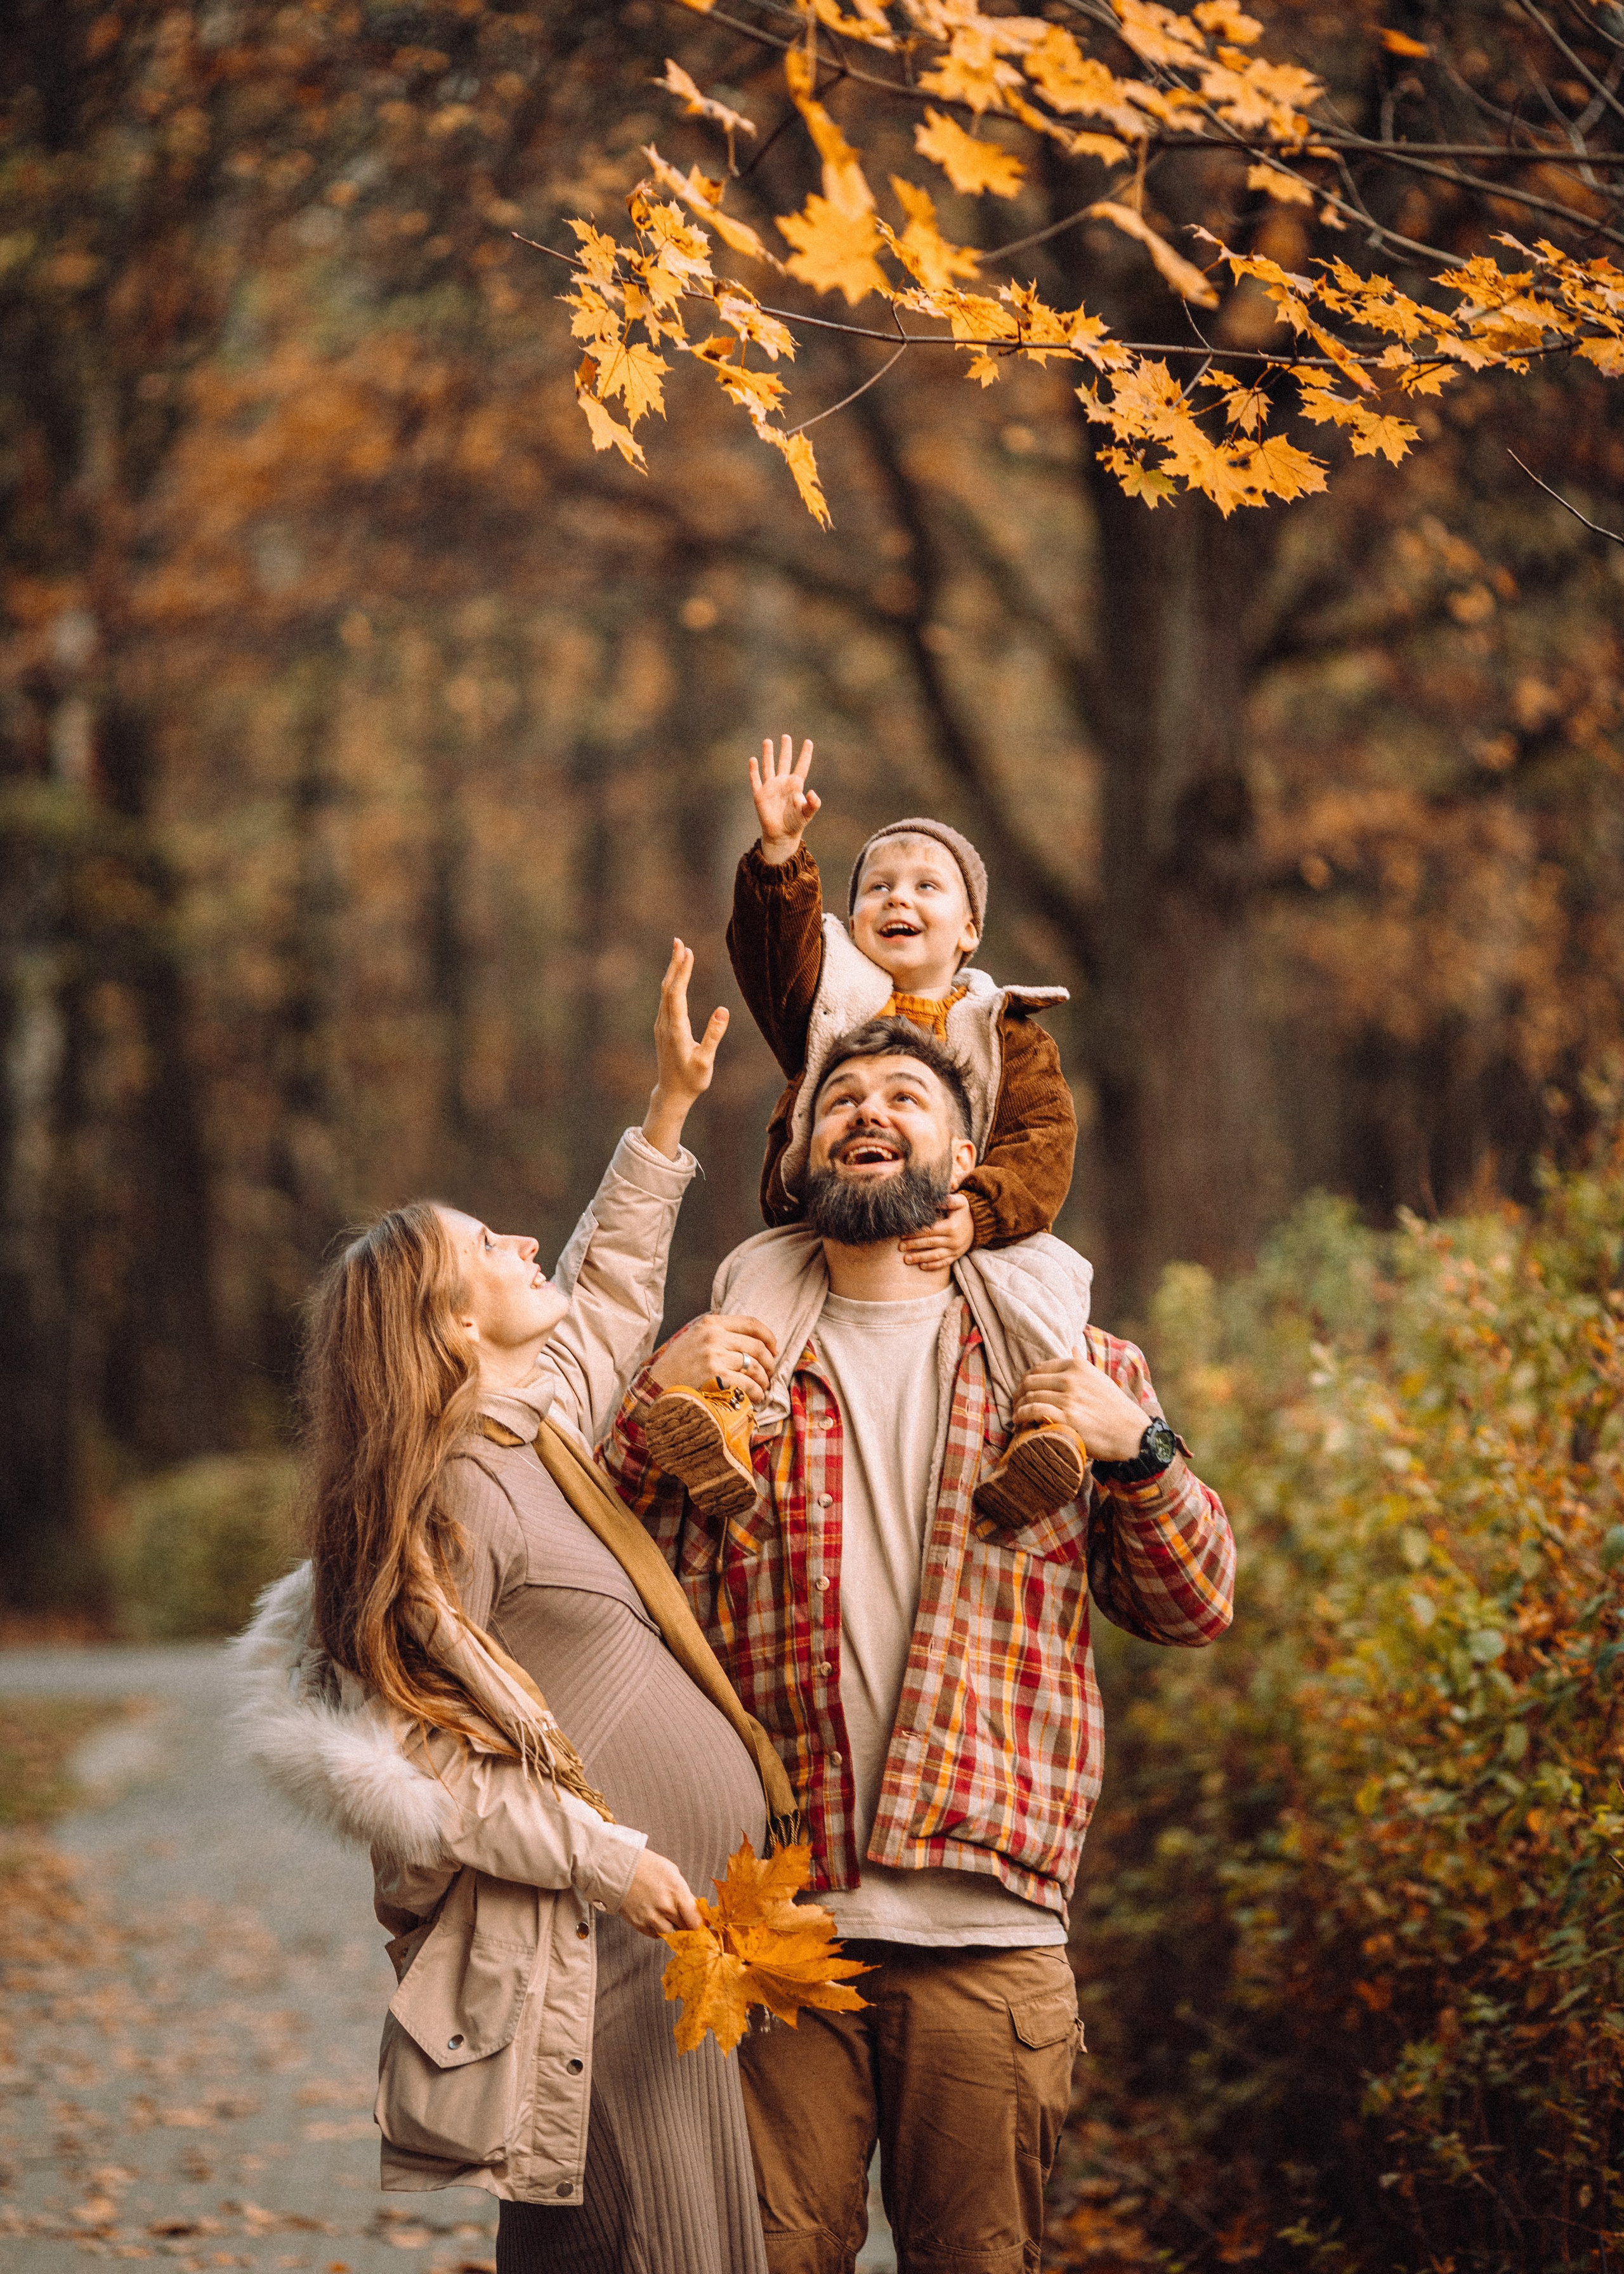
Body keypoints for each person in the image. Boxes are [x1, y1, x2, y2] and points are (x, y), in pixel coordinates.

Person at [603, 1018, 1238, 2274]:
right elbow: (596, 1584)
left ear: (961, 1155)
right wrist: (649, 1401)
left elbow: (1191, 1607)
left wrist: (1141, 1450)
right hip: (771, 1914)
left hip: (990, 1922)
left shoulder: (1069, 1364)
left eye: (905, 1092)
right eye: (840, 1095)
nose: (868, 1108)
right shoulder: (724, 1371)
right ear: (798, 1151)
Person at [228, 943, 782, 2274]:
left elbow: (604, 1296)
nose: (523, 1241)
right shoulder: (446, 1510)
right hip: (598, 1960)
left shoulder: (531, 1442)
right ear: (447, 1324)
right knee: (628, 2248)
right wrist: (612, 1858)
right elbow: (420, 1775)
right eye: (489, 1245)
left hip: (671, 1969)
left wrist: (663, 1112)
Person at [642, 733, 1090, 1533]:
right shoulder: (832, 1003)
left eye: (926, 885)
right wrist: (781, 855)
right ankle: (724, 1421)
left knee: (1050, 1286)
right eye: (876, 886)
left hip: (977, 1230)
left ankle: (1045, 1434)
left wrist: (981, 1212)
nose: (897, 899)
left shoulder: (1005, 1028)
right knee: (756, 1276)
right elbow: (773, 960)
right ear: (850, 919)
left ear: (970, 930)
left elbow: (1044, 1136)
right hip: (834, 1229)